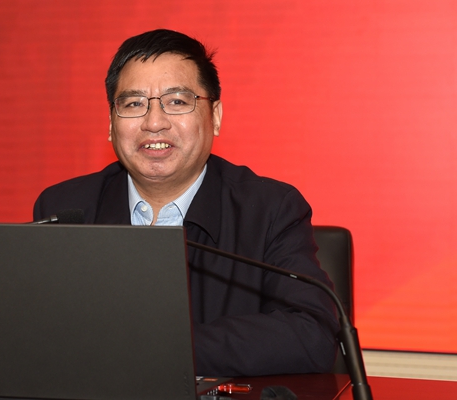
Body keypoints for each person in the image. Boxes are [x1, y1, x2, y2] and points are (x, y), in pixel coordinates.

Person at [34, 29, 339, 377]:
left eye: (177, 101)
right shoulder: (65, 209)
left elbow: (311, 334)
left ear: (215, 116)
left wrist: (159, 348)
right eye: (133, 104)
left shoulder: (270, 209)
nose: (154, 123)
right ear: (110, 123)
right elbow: (34, 335)